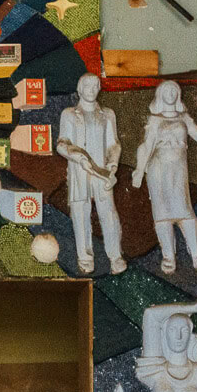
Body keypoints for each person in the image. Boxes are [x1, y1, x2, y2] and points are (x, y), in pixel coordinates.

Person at [132, 80, 197, 275]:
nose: (171, 93)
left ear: (178, 94)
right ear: (160, 94)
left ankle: (196, 254)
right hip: (158, 169)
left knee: (185, 210)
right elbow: (146, 146)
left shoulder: (184, 118)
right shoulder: (154, 119)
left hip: (179, 169)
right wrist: (139, 170)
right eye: (167, 90)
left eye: (174, 90)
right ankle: (168, 256)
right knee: (162, 213)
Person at [57, 72, 126, 275]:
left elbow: (114, 144)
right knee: (80, 213)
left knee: (109, 213)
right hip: (80, 171)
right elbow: (62, 143)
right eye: (88, 86)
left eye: (96, 86)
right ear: (79, 89)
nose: (92, 90)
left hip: (103, 171)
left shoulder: (108, 114)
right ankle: (85, 257)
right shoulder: (69, 114)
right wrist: (78, 157)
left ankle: (115, 256)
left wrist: (113, 165)